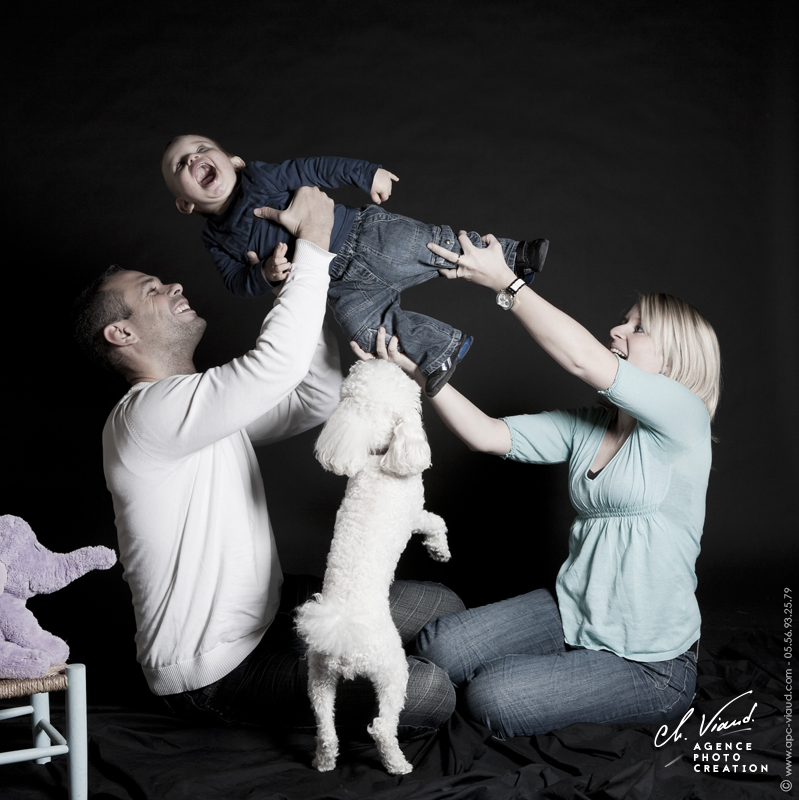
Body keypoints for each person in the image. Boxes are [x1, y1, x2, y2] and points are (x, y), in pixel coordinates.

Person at [71, 187, 464, 734]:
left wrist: (287, 286)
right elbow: (273, 369)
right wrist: (315, 248)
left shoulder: (195, 408)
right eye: (152, 291)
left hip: (270, 610)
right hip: (215, 669)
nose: (173, 285)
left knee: (438, 609)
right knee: (427, 692)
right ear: (122, 332)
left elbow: (315, 394)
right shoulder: (145, 417)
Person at [354, 229, 721, 738]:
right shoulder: (589, 425)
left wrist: (507, 283)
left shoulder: (685, 419)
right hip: (572, 614)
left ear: (674, 357)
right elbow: (487, 435)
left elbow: (585, 361)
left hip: (647, 664)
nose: (617, 329)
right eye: (624, 319)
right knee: (438, 647)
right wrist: (423, 374)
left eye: (637, 328)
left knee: (490, 696)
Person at [160, 134, 549, 396]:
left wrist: (366, 173)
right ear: (184, 204)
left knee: (435, 246)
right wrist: (262, 274)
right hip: (339, 285)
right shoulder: (215, 239)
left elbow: (313, 168)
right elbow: (234, 281)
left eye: (201, 148)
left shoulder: (260, 178)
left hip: (362, 235)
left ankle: (514, 255)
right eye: (181, 164)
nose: (194, 157)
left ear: (233, 161)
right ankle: (438, 348)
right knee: (367, 331)